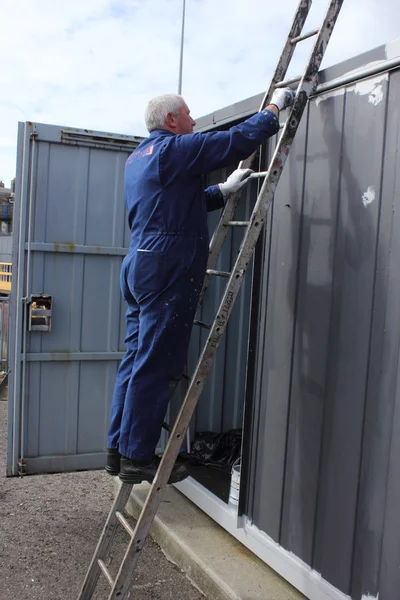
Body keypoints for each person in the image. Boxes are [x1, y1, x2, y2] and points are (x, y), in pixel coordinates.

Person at [106, 88, 295, 483]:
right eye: (189, 115)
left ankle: (117, 450)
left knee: (136, 357)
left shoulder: (140, 157)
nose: (194, 122)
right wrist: (274, 107)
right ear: (171, 120)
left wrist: (222, 192)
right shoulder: (173, 149)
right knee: (157, 362)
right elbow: (233, 142)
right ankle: (138, 457)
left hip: (140, 262)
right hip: (165, 266)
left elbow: (172, 203)